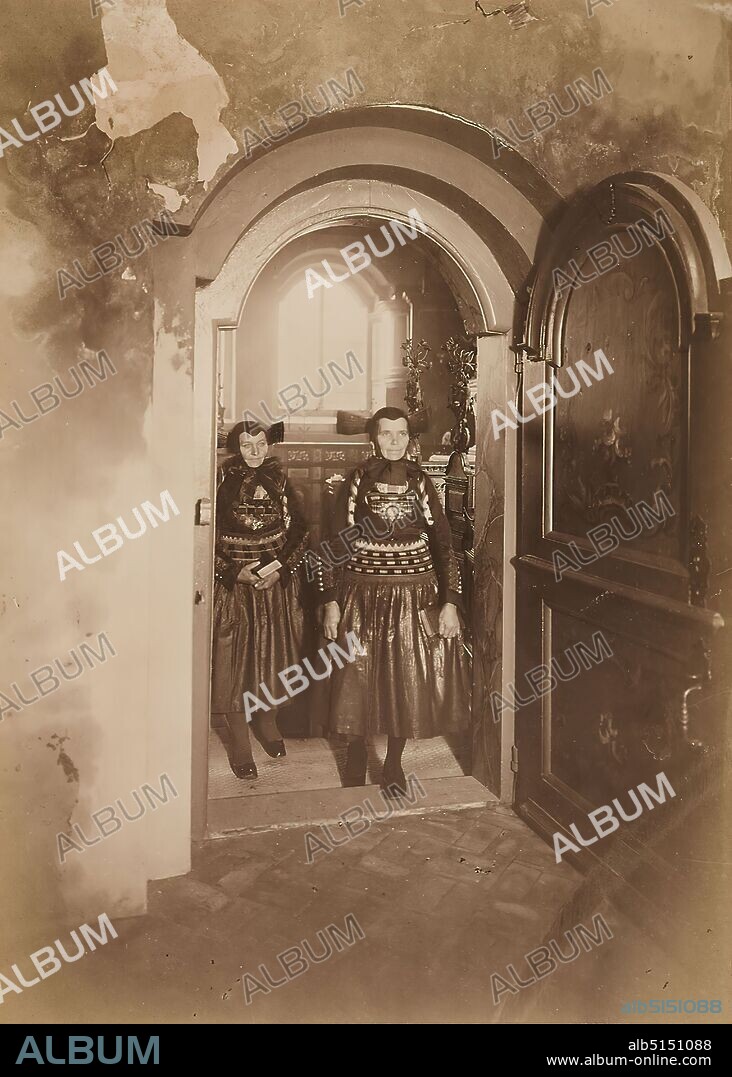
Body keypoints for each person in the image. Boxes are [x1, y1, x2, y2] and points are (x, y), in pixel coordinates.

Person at [314, 406, 470, 794]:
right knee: (357, 676)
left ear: (409, 439)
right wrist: (330, 600)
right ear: (374, 438)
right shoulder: (355, 481)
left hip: (414, 596)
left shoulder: (422, 482)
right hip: (361, 594)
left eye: (402, 434)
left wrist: (450, 602)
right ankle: (356, 753)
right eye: (387, 433)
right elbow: (333, 544)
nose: (395, 441)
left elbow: (444, 545)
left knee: (405, 679)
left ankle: (394, 763)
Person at [211, 420, 309, 779]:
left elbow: (301, 530)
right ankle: (239, 740)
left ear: (269, 445)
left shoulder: (280, 479)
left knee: (275, 656)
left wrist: (280, 569)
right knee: (232, 663)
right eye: (246, 445)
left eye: (260, 444)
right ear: (236, 447)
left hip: (273, 585)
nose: (254, 452)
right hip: (234, 587)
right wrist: (231, 572)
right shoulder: (220, 480)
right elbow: (203, 536)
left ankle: (267, 721)